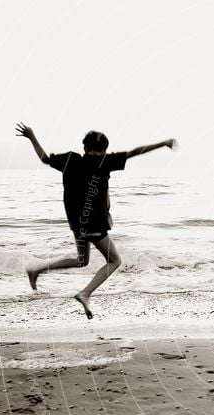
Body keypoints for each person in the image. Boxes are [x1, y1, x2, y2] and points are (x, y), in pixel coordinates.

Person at [15, 122, 176, 318]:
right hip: (95, 223)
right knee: (115, 261)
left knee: (82, 260)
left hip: (77, 223)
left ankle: (37, 271)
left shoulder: (70, 160)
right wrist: (163, 143)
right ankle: (85, 293)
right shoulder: (105, 161)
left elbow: (44, 158)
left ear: (85, 147)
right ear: (104, 149)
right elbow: (135, 152)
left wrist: (31, 136)